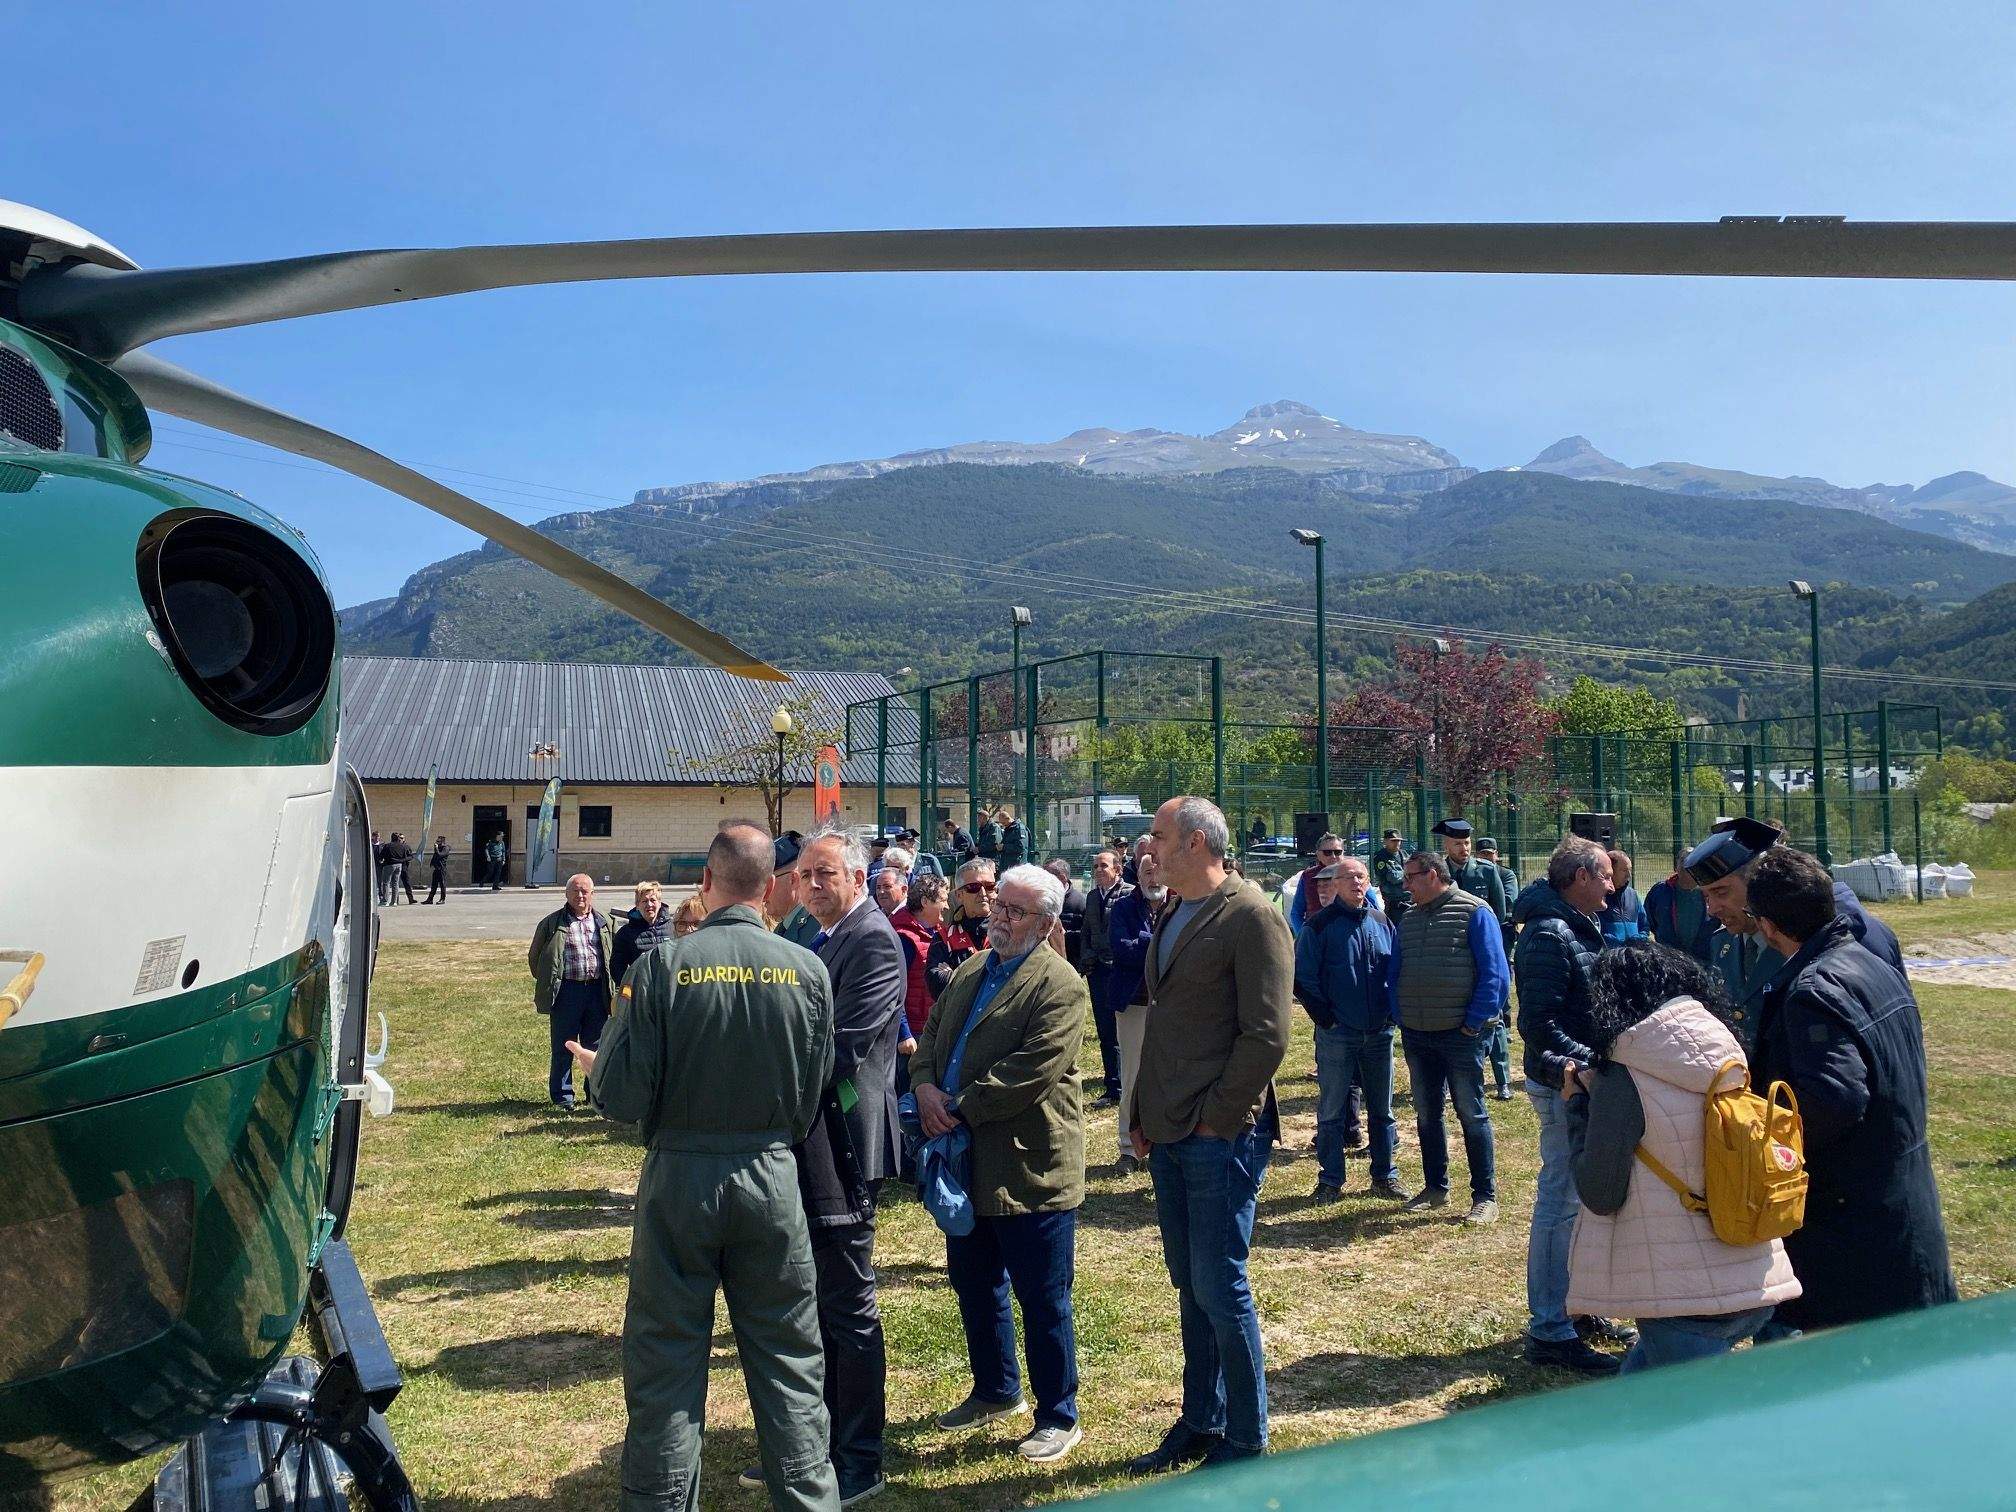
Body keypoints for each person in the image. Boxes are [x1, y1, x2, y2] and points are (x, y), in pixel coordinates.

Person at [569, 820, 841, 1511]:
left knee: (666, 1369)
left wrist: (602, 1075)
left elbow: (622, 1095)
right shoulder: (808, 970)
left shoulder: (661, 967)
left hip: (682, 1180)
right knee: (790, 1367)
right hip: (771, 1175)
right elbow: (812, 1096)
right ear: (772, 886)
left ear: (707, 883)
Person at [1126, 797, 1291, 1475]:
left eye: (1159, 838)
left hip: (1217, 1134)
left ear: (1197, 843)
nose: (1148, 849)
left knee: (1220, 1286)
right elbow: (1163, 1022)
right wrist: (1139, 1113)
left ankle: (1246, 1439)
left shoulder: (1253, 916)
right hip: (1168, 1126)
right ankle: (1201, 1419)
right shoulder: (1171, 909)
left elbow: (1269, 1036)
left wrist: (1216, 1119)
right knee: (1190, 1284)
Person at [910, 864, 1088, 1464]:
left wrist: (955, 1107)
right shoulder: (968, 971)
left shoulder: (1059, 984)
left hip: (1028, 1166)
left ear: (1045, 923)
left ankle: (1058, 1414)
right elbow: (930, 1039)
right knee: (975, 1280)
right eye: (996, 907)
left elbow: (1029, 1073)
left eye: (1014, 912)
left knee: (1042, 1296)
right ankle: (995, 1390)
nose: (998, 918)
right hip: (967, 1163)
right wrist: (927, 1088)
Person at [1745, 846, 1957, 1331]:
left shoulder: (1813, 990)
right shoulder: (1870, 961)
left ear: (1769, 924)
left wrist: (1770, 1151)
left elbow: (1834, 1098)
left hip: (1852, 1215)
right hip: (1900, 1190)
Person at [1566, 943, 1802, 1372]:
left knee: (1679, 1424)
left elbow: (1599, 1192)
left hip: (1684, 1298)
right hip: (1759, 1274)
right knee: (1634, 1393)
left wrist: (1578, 1108)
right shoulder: (1725, 1055)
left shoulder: (1623, 1076)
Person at [788, 826, 907, 1504]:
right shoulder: (821, 940)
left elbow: (846, 1045)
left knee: (850, 1308)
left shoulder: (872, 942)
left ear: (858, 880)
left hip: (848, 1148)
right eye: (805, 875)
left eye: (824, 874)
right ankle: (820, 1444)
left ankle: (860, 1458)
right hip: (812, 1142)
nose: (810, 885)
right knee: (818, 1305)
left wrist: (763, 1078)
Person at [1513, 838, 1628, 1376]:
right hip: (1565, 1085)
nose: (1613, 884)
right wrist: (1588, 1063)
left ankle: (1580, 1306)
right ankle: (1550, 1330)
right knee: (1560, 1202)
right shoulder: (1546, 934)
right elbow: (1537, 1025)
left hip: (1587, 1080)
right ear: (1580, 876)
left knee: (1585, 1203)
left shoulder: (1581, 925)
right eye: (1605, 875)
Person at [1684, 815, 1904, 1047]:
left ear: (1759, 881)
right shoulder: (1723, 944)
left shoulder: (1847, 938)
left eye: (1721, 892)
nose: (1712, 910)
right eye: (1706, 896)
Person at [1389, 851, 1506, 1225]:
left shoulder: (1475, 912)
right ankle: (1435, 1187)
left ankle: (1484, 1196)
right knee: (1427, 1114)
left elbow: (1495, 975)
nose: (1404, 884)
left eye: (1411, 877)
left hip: (1461, 1035)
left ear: (1434, 874)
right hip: (1418, 1034)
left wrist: (1473, 1022)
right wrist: (1400, 1014)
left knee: (1471, 1113)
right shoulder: (1407, 919)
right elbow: (1396, 970)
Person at [1293, 858, 1406, 1204]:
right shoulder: (1319, 926)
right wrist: (1327, 1020)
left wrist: (1389, 1017)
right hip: (1337, 1034)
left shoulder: (1381, 921)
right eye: (1349, 877)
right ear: (1335, 883)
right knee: (1332, 1110)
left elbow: (1396, 971)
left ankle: (1385, 1176)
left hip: (1379, 1032)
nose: (1357, 882)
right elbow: (1304, 979)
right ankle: (1330, 1180)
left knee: (1382, 1110)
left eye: (1361, 876)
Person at [529, 873, 615, 1111]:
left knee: (595, 1046)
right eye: (575, 891)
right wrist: (550, 980)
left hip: (596, 993)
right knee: (563, 1045)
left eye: (584, 891)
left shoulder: (605, 922)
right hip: (566, 991)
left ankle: (594, 1094)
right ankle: (562, 1096)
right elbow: (535, 958)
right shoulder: (551, 924)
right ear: (566, 894)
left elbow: (613, 957)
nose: (580, 895)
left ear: (592, 895)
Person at [1104, 847, 1164, 1175]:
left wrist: (1144, 942)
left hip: (1170, 1006)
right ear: (1137, 877)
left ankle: (1160, 1144)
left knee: (1165, 1076)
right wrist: (1156, 943)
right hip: (1134, 1004)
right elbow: (1121, 950)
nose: (1153, 878)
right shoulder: (1124, 907)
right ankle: (1128, 1149)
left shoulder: (1178, 904)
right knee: (1131, 1076)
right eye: (1146, 873)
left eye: (1157, 871)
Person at [1080, 850, 1133, 1110]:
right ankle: (1113, 1086)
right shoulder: (1092, 897)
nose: (1098, 870)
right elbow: (1087, 932)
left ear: (1118, 869)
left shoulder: (1130, 894)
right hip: (1098, 972)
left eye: (1103, 866)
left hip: (1121, 971)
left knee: (1126, 1029)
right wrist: (1088, 959)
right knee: (1105, 1031)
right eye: (1095, 866)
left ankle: (1131, 1084)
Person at [888, 875, 946, 1090]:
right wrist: (903, 1033)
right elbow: (893, 988)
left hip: (928, 1028)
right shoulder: (903, 937)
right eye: (942, 899)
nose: (947, 905)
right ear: (925, 902)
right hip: (911, 1035)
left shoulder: (935, 933)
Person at [1475, 837, 1519, 1100]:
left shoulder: (1503, 874)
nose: (1486, 857)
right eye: (1483, 853)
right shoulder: (1468, 871)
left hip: (1498, 940)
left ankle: (1503, 1080)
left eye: (1490, 853)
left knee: (1497, 1015)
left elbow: (1506, 904)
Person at [928, 860, 994, 999]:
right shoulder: (944, 938)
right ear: (959, 895)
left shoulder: (1013, 931)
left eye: (989, 886)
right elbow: (937, 987)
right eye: (974, 887)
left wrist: (955, 976)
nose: (982, 893)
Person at [1432, 818, 1508, 919]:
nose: (1464, 849)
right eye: (1458, 844)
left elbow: (1499, 913)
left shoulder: (1487, 871)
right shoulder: (1438, 873)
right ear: (1446, 846)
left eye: (1467, 843)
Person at [1643, 860, 1716, 962]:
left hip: (1703, 959)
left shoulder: (1709, 890)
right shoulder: (1660, 891)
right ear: (1677, 868)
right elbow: (1648, 919)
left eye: (1691, 868)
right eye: (1684, 868)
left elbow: (1717, 920)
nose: (1688, 873)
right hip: (1668, 958)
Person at [610, 880, 673, 988]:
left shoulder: (673, 927)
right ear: (637, 905)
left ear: (659, 902)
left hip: (669, 989)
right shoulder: (626, 933)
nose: (649, 905)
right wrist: (631, 988)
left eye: (653, 900)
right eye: (644, 901)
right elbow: (617, 967)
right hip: (642, 993)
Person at [1286, 833, 1346, 932]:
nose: (1333, 856)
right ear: (1318, 854)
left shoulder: (1356, 874)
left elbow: (1373, 908)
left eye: (1338, 852)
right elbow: (1296, 913)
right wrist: (1303, 936)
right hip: (1316, 935)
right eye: (1327, 852)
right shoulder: (1307, 876)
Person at [773, 833, 822, 949]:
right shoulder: (784, 927)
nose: (763, 891)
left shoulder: (815, 928)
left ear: (793, 880)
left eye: (768, 881)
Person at [1044, 859, 1086, 972]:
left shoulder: (1079, 902)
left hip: (1069, 962)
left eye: (1047, 876)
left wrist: (1065, 934)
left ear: (1062, 878)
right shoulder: (1042, 898)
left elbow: (1086, 933)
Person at [1599, 850, 1649, 945]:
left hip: (1633, 955)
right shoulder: (1598, 897)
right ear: (1610, 871)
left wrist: (1637, 941)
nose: (1629, 875)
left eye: (1630, 870)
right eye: (1624, 870)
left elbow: (1644, 927)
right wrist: (1618, 944)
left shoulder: (1633, 895)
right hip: (1609, 957)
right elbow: (1596, 930)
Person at [1371, 830, 1409, 919]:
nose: (1397, 843)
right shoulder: (1381, 857)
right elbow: (1393, 877)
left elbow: (1415, 873)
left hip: (1409, 898)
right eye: (1393, 840)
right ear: (1385, 841)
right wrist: (1409, 874)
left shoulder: (1404, 854)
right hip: (1394, 901)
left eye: (1398, 841)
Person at [382, 831, 416, 906]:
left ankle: (385, 901)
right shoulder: (402, 846)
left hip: (391, 865)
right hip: (399, 865)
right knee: (395, 883)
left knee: (387, 883)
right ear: (397, 838)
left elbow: (382, 855)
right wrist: (400, 861)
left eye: (402, 838)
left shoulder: (388, 845)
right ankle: (394, 901)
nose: (401, 839)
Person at [423, 835, 451, 903]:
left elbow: (440, 855)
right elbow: (435, 856)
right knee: (434, 885)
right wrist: (432, 863)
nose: (437, 843)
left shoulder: (446, 848)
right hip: (436, 869)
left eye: (438, 841)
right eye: (436, 841)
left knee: (442, 884)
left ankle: (442, 899)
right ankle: (430, 899)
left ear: (442, 842)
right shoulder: (438, 848)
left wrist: (436, 848)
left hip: (442, 869)